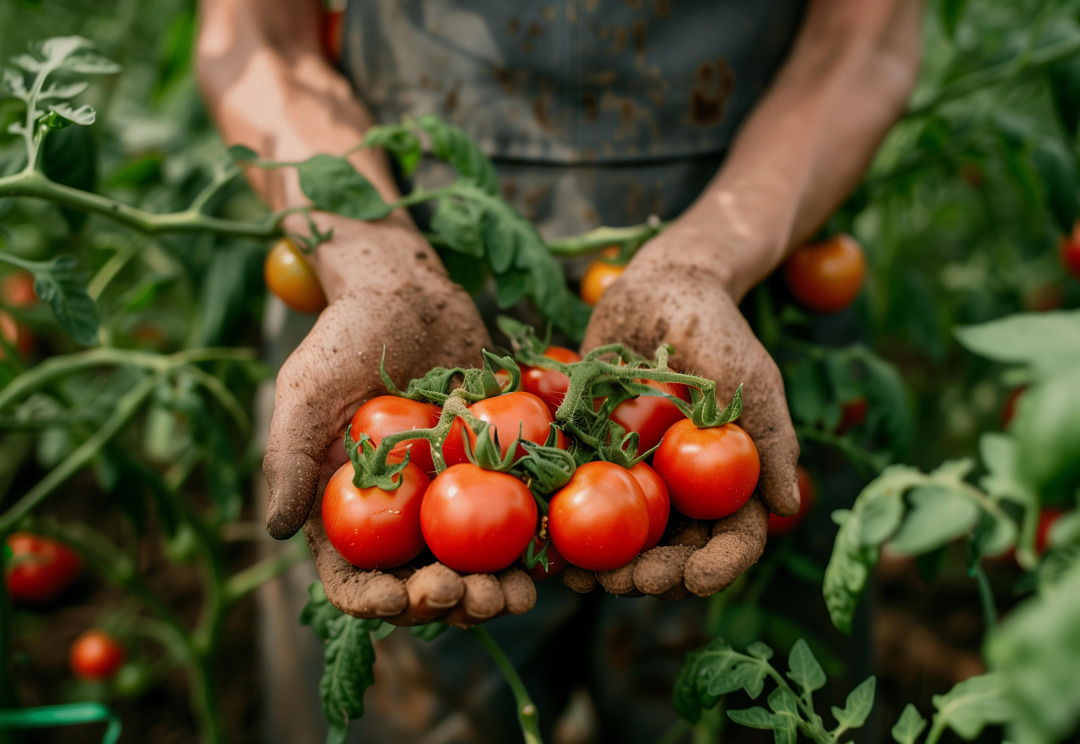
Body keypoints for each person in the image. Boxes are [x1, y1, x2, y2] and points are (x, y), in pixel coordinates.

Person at [195, 1, 922, 741]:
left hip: (751, 301)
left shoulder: (487, 445)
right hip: (385, 274)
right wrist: (374, 269)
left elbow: (862, 39)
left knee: (749, 713)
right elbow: (255, 38)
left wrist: (705, 263)